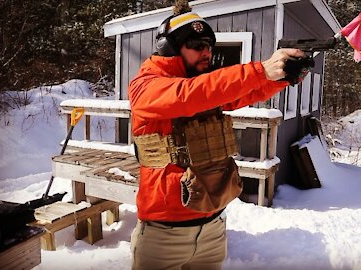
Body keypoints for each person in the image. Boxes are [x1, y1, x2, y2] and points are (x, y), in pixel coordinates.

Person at [128, 1, 308, 269]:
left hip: (213, 229)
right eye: (197, 45)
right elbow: (189, 95)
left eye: (209, 46)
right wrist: (259, 70)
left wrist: (281, 77)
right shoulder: (145, 86)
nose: (206, 52)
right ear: (171, 48)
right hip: (162, 236)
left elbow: (244, 93)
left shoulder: (203, 85)